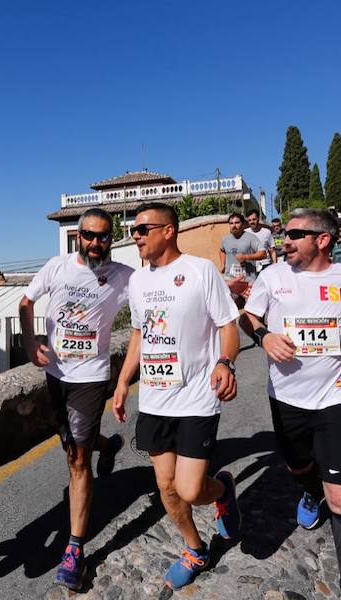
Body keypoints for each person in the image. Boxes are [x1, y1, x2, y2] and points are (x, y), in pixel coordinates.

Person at [243, 207, 341, 600]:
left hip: (338, 395)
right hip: (287, 397)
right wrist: (264, 337)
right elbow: (249, 316)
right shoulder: (272, 276)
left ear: (322, 240)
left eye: (294, 234)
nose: (284, 241)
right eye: (284, 235)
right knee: (297, 465)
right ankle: (310, 489)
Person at [112, 202, 242, 591]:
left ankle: (222, 491)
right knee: (167, 488)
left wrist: (225, 363)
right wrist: (122, 382)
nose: (134, 235)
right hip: (154, 400)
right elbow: (138, 334)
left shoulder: (200, 271)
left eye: (142, 229)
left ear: (168, 231)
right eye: (132, 229)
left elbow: (227, 325)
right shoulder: (138, 281)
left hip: (196, 399)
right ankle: (195, 548)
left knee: (189, 489)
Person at [18, 208, 134, 590]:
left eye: (103, 236)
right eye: (89, 235)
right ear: (78, 236)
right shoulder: (57, 267)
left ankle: (74, 550)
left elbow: (162, 292)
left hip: (90, 377)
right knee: (71, 444)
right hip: (56, 375)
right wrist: (31, 341)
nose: (95, 242)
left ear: (111, 239)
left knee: (76, 460)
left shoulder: (122, 277)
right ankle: (109, 445)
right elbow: (25, 303)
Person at [219, 213, 264, 282]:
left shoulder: (251, 237)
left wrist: (246, 257)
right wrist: (222, 264)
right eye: (231, 223)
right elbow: (222, 250)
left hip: (247, 279)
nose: (234, 226)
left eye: (237, 223)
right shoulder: (225, 239)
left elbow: (263, 253)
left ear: (243, 225)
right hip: (230, 279)